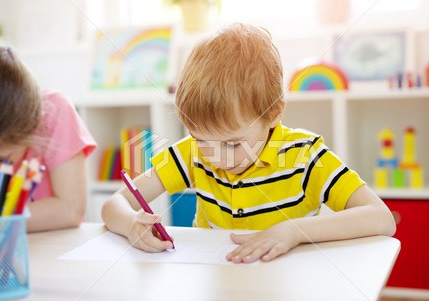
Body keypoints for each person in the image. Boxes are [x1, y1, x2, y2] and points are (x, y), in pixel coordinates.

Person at [102, 23, 395, 263]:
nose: (216, 158)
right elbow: (115, 204)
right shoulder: (192, 152)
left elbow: (381, 218)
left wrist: (293, 231)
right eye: (202, 139)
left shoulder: (305, 155)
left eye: (232, 144)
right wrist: (131, 226)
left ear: (274, 113)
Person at [0, 46, 96, 232]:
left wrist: (3, 222)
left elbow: (70, 210)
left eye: (1, 158)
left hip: (57, 245)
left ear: (35, 125)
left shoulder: (56, 110)